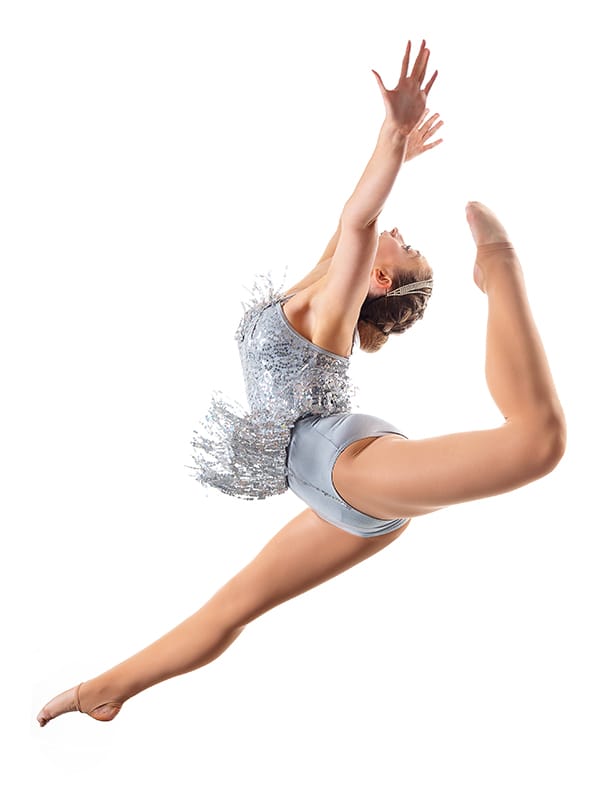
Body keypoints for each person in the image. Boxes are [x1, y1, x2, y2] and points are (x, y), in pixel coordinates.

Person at [37, 40, 565, 726]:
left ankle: (499, 266)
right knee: (229, 608)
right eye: (404, 236)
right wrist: (392, 155)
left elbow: (360, 219)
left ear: (376, 280)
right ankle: (101, 691)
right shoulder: (317, 284)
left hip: (347, 465)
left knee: (537, 444)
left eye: (403, 246)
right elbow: (349, 219)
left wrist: (392, 133)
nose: (397, 229)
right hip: (332, 491)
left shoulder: (335, 306)